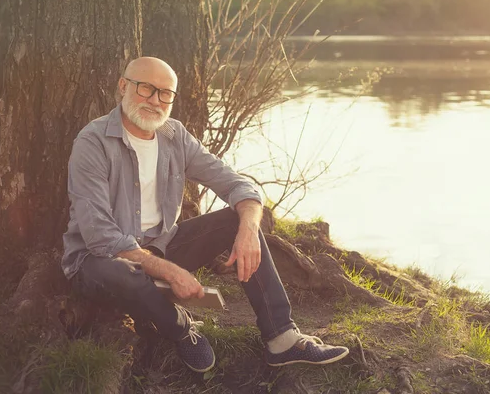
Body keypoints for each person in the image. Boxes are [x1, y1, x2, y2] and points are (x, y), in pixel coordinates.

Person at [62, 57, 349, 373]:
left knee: (235, 220)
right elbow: (100, 235)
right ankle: (181, 328)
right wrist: (171, 272)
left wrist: (249, 229)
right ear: (123, 86)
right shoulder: (94, 141)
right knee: (119, 272)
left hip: (160, 247)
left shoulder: (174, 136)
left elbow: (238, 185)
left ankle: (281, 338)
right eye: (146, 89)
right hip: (99, 262)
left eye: (165, 93)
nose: (155, 101)